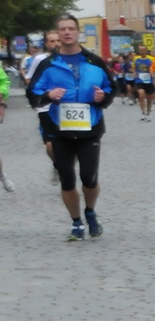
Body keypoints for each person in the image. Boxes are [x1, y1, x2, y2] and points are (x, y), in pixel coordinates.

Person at [28, 15, 114, 240]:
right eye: (62, 29)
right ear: (57, 33)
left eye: (71, 29)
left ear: (78, 33)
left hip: (90, 127)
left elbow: (111, 88)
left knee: (89, 177)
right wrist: (48, 95)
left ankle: (90, 211)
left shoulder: (94, 61)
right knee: (67, 178)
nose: (67, 33)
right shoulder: (48, 64)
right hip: (60, 128)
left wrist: (102, 97)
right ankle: (76, 222)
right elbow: (33, 94)